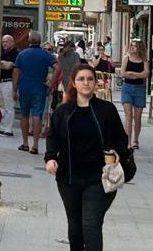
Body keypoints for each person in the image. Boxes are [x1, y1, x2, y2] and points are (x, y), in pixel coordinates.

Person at [44, 63, 128, 251]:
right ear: (73, 83)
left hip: (99, 178)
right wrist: (50, 158)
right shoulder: (63, 111)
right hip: (69, 179)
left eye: (90, 79)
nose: (86, 82)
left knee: (90, 225)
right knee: (75, 229)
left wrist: (116, 152)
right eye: (81, 79)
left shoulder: (106, 110)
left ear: (96, 83)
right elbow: (53, 138)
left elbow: (121, 138)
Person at [15, 30, 58, 154]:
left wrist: (14, 88)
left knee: (24, 115)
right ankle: (35, 145)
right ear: (39, 41)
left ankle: (24, 143)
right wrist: (52, 82)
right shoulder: (45, 54)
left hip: (24, 86)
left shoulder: (22, 54)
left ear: (29, 41)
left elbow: (16, 71)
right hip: (39, 87)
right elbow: (57, 67)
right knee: (36, 115)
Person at [120, 41, 149, 150]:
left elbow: (145, 74)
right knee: (128, 116)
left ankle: (135, 140)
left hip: (140, 89)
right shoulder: (126, 58)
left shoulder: (144, 60)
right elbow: (123, 73)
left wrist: (132, 74)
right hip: (127, 88)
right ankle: (127, 142)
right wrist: (138, 75)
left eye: (134, 46)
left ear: (140, 47)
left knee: (137, 117)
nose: (132, 48)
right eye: (131, 45)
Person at [0, 35, 20, 137]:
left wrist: (6, 64)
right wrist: (4, 64)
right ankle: (3, 127)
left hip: (9, 82)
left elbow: (10, 66)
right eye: (3, 42)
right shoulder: (1, 53)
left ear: (12, 42)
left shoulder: (16, 53)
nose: (4, 44)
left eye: (7, 41)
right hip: (0, 82)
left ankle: (8, 129)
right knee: (2, 106)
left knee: (9, 106)